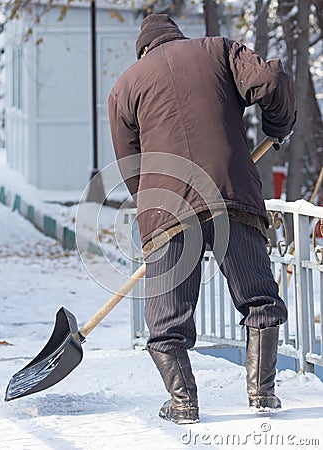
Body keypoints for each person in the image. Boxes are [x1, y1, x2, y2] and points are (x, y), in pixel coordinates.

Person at [108, 14, 296, 424]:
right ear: (177, 36)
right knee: (259, 299)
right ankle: (262, 395)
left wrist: (153, 207)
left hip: (167, 206)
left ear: (143, 50)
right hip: (231, 192)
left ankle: (182, 404)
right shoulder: (219, 50)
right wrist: (278, 126)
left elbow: (131, 165)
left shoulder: (125, 85)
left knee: (166, 319)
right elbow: (272, 80)